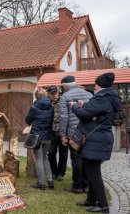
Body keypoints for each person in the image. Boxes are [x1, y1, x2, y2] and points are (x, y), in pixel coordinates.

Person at [70, 72, 121, 213]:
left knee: (94, 173)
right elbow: (98, 112)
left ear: (101, 85)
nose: (95, 86)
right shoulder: (110, 97)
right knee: (90, 170)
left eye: (96, 84)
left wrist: (74, 106)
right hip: (100, 137)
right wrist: (84, 104)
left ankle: (103, 205)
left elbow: (84, 114)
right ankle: (91, 199)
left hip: (96, 139)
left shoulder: (102, 98)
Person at [59, 75, 92, 194]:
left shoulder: (65, 96)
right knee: (86, 158)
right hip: (87, 132)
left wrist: (62, 135)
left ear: (66, 86)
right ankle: (87, 185)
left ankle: (77, 186)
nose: (63, 89)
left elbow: (63, 117)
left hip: (73, 133)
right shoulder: (89, 95)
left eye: (63, 87)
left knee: (76, 159)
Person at [25, 88, 54, 190]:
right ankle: (50, 181)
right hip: (48, 136)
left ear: (36, 96)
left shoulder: (34, 106)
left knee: (38, 159)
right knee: (45, 158)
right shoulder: (51, 106)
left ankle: (41, 183)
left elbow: (27, 120)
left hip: (37, 136)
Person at [47, 85, 68, 181]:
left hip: (63, 132)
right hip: (51, 132)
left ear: (58, 92)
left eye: (56, 92)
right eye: (52, 93)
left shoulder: (64, 101)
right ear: (48, 94)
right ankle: (54, 172)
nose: (54, 95)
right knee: (51, 153)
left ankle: (61, 173)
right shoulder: (47, 103)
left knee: (63, 154)